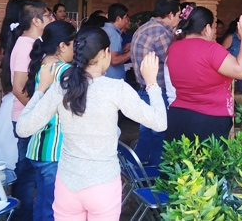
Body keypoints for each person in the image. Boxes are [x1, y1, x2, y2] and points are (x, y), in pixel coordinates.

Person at [17, 27, 167, 220]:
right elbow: (160, 123)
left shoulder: (62, 86)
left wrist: (40, 90)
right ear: (105, 53)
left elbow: (23, 129)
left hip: (68, 185)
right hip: (103, 185)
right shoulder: (116, 89)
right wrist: (152, 83)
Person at [166, 7, 242, 141]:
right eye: (213, 28)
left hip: (178, 115)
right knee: (210, 155)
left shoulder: (173, 48)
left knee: (182, 154)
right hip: (210, 118)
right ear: (207, 28)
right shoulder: (210, 49)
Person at [1, 0, 51, 220]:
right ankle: (22, 216)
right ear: (36, 21)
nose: (51, 19)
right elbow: (19, 87)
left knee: (29, 171)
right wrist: (38, 112)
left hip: (29, 116)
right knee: (27, 173)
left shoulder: (32, 43)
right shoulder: (25, 45)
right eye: (48, 16)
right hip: (26, 117)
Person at [23, 20, 75, 221]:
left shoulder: (43, 64)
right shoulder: (64, 70)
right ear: (62, 45)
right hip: (55, 149)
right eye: (73, 44)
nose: (76, 49)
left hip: (39, 147)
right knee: (53, 208)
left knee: (44, 201)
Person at [130, 0, 180, 165]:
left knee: (146, 131)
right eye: (178, 15)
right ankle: (157, 171)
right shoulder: (161, 33)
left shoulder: (144, 27)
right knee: (160, 132)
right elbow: (173, 60)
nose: (179, 19)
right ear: (170, 14)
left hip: (143, 88)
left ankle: (139, 166)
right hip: (157, 90)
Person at [102, 3, 131, 80]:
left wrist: (122, 50)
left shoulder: (104, 29)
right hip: (113, 79)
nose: (127, 21)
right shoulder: (114, 34)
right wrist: (132, 52)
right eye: (125, 17)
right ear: (118, 19)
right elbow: (114, 60)